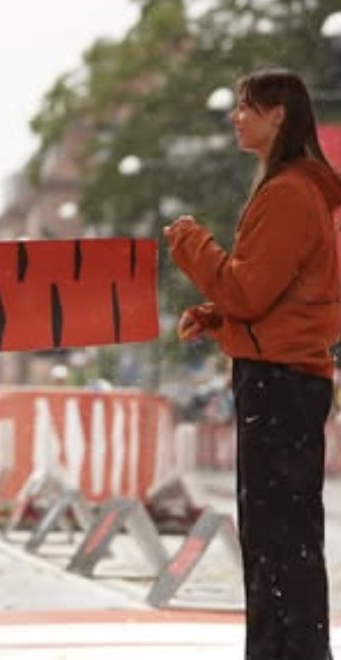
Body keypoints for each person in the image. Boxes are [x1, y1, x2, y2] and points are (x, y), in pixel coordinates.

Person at [165, 68, 341, 660]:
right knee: (278, 539)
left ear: (280, 117)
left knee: (278, 541)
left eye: (248, 106)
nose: (237, 116)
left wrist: (192, 243)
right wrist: (219, 318)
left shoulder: (291, 192)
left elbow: (250, 292)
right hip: (285, 374)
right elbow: (273, 292)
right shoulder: (297, 187)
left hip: (281, 383)